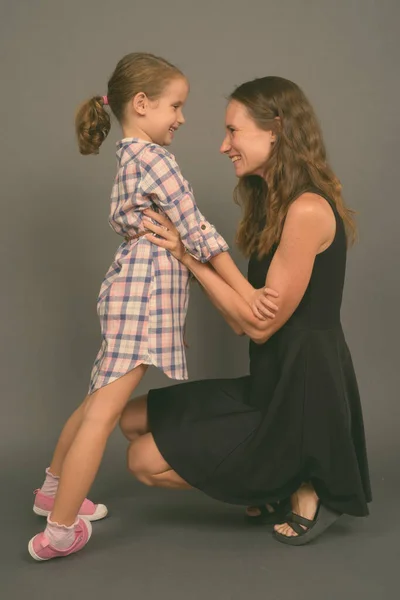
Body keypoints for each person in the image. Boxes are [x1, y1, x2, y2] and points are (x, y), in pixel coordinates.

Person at [28, 53, 279, 561]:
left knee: (96, 397)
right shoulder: (156, 160)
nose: (182, 118)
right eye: (176, 106)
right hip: (143, 296)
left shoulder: (130, 156)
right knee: (104, 411)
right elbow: (197, 231)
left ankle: (51, 493)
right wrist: (248, 292)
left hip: (128, 287)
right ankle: (59, 529)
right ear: (141, 105)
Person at [119, 75, 372, 546]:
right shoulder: (271, 206)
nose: (223, 145)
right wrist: (183, 253)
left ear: (274, 130)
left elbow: (257, 326)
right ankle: (272, 487)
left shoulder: (307, 210)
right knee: (129, 418)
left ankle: (295, 482)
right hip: (267, 383)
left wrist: (187, 255)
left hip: (301, 396)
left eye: (233, 131)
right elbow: (244, 319)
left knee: (142, 462)